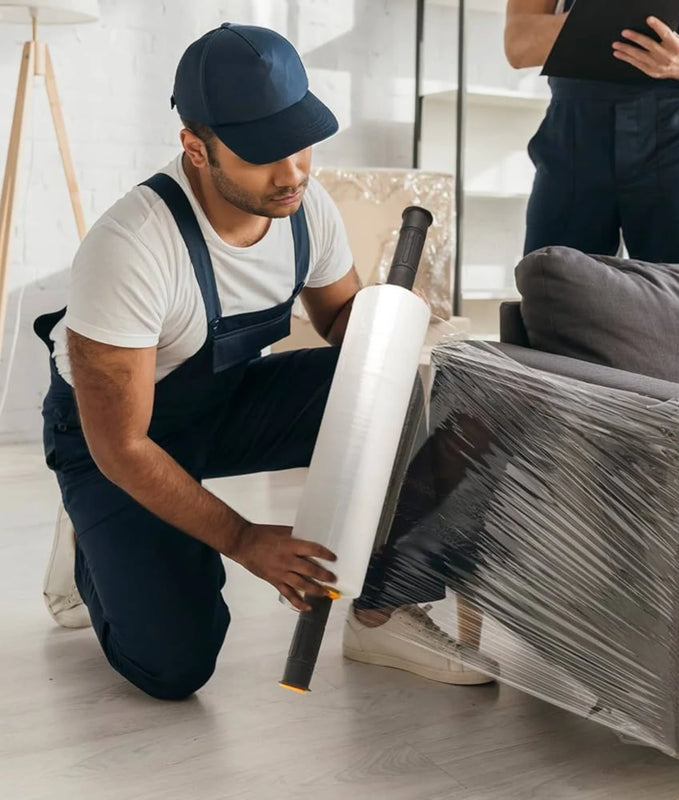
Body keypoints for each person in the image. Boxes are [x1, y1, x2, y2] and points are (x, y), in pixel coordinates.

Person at [37, 23, 492, 700]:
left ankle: (383, 608)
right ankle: (92, 536)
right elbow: (124, 444)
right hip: (118, 438)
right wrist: (246, 539)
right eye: (260, 155)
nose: (292, 174)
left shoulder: (306, 209)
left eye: (299, 144)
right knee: (174, 666)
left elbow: (341, 322)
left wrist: (389, 324)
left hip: (223, 402)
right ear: (196, 148)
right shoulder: (131, 246)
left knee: (419, 393)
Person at [505, 0, 679, 263]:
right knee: (552, 283)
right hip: (574, 129)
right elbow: (518, 43)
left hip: (675, 131)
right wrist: (601, 19)